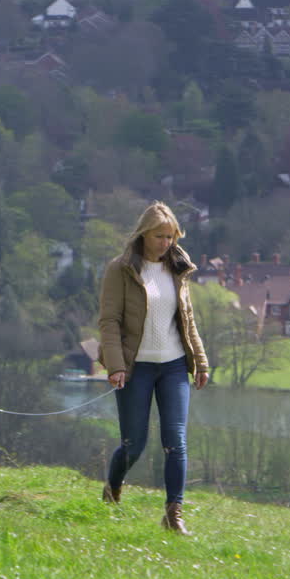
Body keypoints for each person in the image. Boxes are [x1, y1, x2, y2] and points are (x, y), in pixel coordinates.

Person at [97, 201, 209, 535]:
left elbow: (187, 321)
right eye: (160, 236)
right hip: (136, 369)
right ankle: (113, 487)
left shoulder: (178, 267)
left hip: (173, 366)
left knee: (176, 440)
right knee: (134, 443)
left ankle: (173, 514)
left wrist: (200, 362)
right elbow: (109, 322)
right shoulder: (120, 269)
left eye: (171, 236)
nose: (166, 243)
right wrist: (115, 365)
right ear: (144, 235)